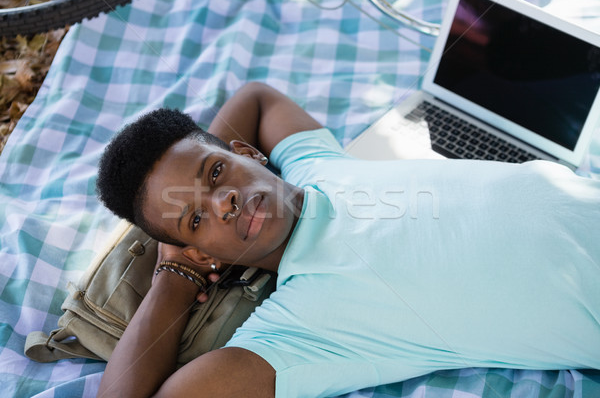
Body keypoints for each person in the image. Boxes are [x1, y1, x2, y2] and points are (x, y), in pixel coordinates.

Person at [95, 82, 600, 398]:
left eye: (217, 171)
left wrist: (193, 221)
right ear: (201, 251)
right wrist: (174, 276)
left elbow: (256, 97)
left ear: (248, 151)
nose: (223, 201)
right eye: (195, 220)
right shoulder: (297, 330)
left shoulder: (317, 165)